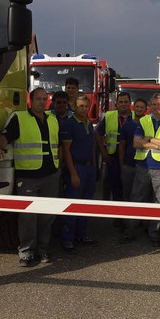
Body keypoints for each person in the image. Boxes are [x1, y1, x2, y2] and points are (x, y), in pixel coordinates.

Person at [0, 87, 61, 267]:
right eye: (38, 99)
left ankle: (42, 249)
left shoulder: (53, 119)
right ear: (31, 99)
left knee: (47, 215)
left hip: (51, 174)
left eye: (44, 99)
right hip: (28, 176)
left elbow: (57, 145)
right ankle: (26, 252)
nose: (42, 102)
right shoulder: (20, 118)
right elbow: (5, 137)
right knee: (27, 216)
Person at [120, 93, 160, 246]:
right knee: (136, 198)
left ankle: (154, 233)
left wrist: (150, 139)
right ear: (150, 105)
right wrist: (158, 145)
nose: (156, 107)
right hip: (143, 165)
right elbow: (136, 143)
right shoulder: (144, 120)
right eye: (154, 104)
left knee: (159, 201)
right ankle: (130, 231)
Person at [59, 95, 98, 253]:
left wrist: (95, 168)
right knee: (73, 204)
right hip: (77, 168)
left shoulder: (89, 123)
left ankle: (82, 234)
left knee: (86, 204)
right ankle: (67, 239)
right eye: (81, 106)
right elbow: (66, 151)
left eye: (86, 106)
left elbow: (92, 148)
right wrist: (73, 173)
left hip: (89, 169)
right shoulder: (69, 124)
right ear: (74, 107)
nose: (84, 109)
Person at [96, 92, 133, 202]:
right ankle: (115, 215)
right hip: (112, 156)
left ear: (130, 103)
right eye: (120, 102)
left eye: (125, 102)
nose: (123, 104)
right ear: (116, 104)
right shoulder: (109, 116)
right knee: (114, 186)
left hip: (129, 157)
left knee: (128, 186)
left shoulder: (136, 116)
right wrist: (103, 153)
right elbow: (98, 134)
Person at [118, 98, 148, 216]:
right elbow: (122, 146)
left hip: (143, 166)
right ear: (133, 108)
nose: (139, 109)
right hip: (129, 165)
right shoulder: (127, 125)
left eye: (142, 107)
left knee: (142, 196)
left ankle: (139, 221)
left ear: (146, 109)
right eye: (137, 107)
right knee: (126, 195)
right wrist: (122, 165)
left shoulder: (148, 124)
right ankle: (126, 221)